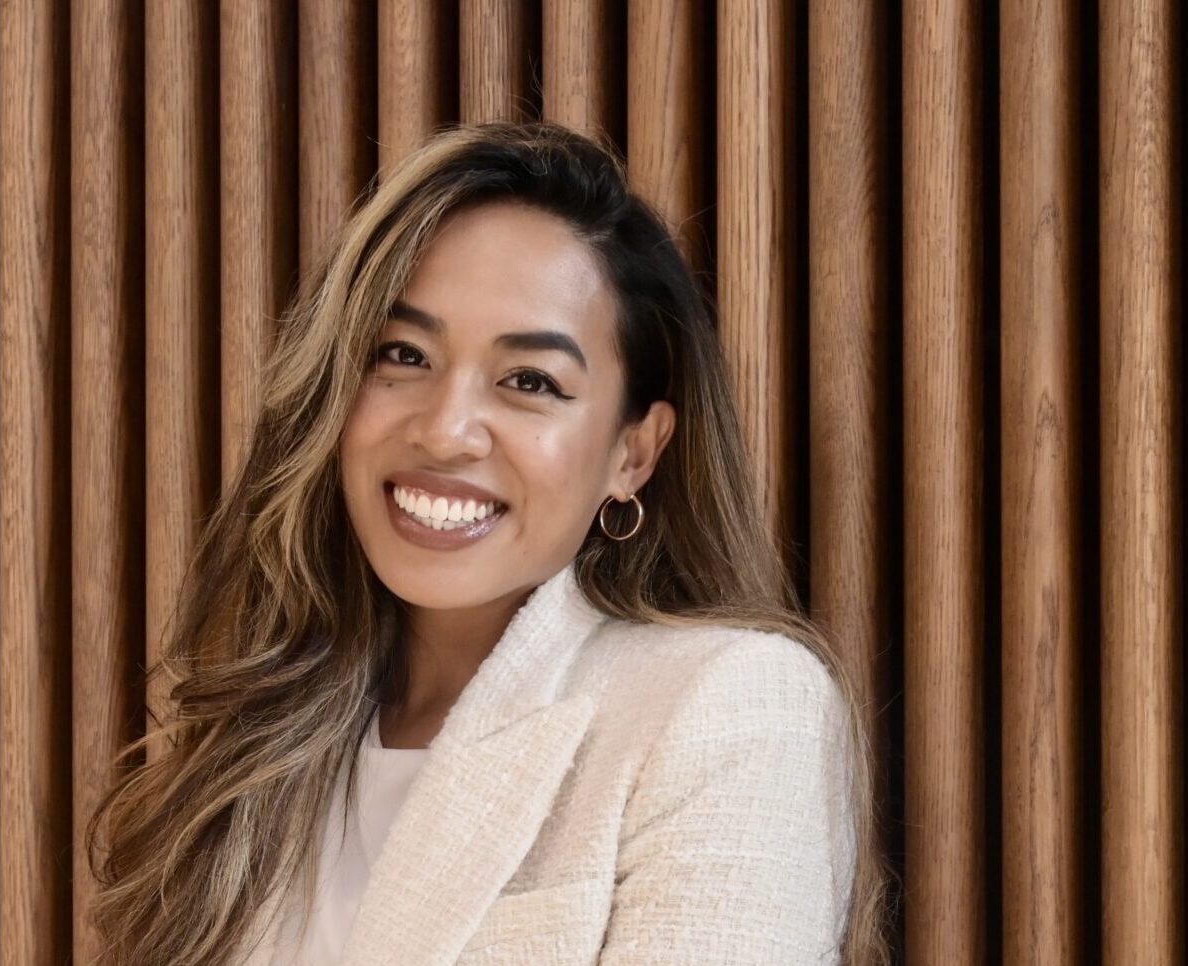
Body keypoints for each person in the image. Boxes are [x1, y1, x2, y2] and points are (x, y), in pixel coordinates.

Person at [87, 121, 890, 965]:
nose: (446, 431)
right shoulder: (249, 750)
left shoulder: (728, 704)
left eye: (530, 381)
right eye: (403, 355)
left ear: (633, 452)